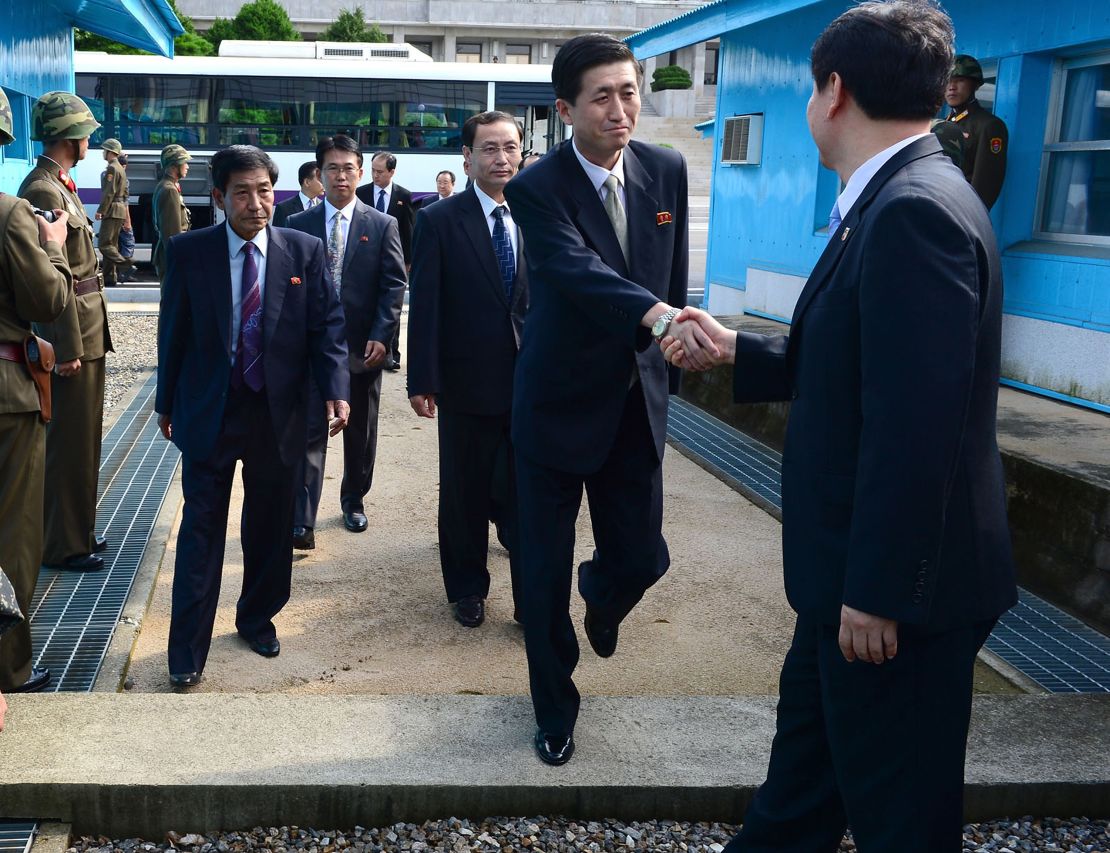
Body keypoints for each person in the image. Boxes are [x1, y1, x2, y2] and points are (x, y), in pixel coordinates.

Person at [660, 4, 1018, 850]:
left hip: (892, 602)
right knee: (800, 797)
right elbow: (867, 365)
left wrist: (879, 591)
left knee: (901, 818)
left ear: (835, 90)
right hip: (846, 586)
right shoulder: (897, 193)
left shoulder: (912, 210)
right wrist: (740, 351)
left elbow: (915, 425)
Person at [502, 33, 704, 766]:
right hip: (556, 408)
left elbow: (672, 273)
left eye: (629, 92)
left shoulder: (667, 169)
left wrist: (669, 366)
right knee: (541, 577)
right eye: (602, 97)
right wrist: (660, 319)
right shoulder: (536, 188)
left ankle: (606, 592)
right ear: (565, 109)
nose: (621, 110)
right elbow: (576, 270)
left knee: (642, 556)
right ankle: (555, 709)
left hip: (634, 404)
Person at [155, 145, 350, 688]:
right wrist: (165, 402)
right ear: (219, 197)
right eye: (241, 192)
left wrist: (337, 391)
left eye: (264, 190)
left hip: (279, 413)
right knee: (201, 531)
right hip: (211, 411)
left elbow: (326, 329)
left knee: (269, 524)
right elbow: (174, 333)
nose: (255, 202)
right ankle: (186, 649)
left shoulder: (304, 252)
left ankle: (257, 618)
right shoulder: (190, 252)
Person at [407, 111, 528, 628]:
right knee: (464, 491)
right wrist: (422, 379)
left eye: (510, 147)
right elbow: (426, 305)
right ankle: (467, 588)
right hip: (465, 380)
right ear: (468, 157)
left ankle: (532, 594)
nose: (501, 158)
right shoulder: (439, 220)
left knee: (529, 494)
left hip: (532, 381)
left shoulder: (540, 211)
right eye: (489, 149)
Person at [286, 135, 406, 547]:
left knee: (360, 431)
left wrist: (382, 336)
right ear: (320, 174)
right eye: (332, 168)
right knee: (308, 430)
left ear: (361, 172)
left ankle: (354, 498)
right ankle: (303, 518)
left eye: (349, 168)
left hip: (362, 347)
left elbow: (394, 285)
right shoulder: (297, 225)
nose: (341, 175)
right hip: (311, 348)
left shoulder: (381, 224)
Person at [19, 91, 113, 574]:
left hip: (87, 327)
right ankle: (63, 545)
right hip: (73, 332)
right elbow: (50, 275)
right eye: (85, 132)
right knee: (69, 446)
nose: (89, 140)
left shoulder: (59, 185)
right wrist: (66, 347)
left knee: (84, 441)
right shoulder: (42, 191)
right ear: (71, 135)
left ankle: (79, 530)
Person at [0, 88, 74, 697]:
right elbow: (47, 301)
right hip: (6, 399)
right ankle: (8, 667)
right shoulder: (9, 214)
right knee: (13, 535)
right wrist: (52, 251)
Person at [357, 151, 414, 370]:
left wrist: (408, 260)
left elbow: (408, 230)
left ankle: (392, 353)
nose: (375, 175)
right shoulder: (362, 193)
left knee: (392, 305)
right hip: (365, 256)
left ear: (392, 172)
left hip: (394, 258)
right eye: (372, 170)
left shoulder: (403, 195)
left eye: (380, 171)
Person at [945, 54, 1007, 209]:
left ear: (975, 85)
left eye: (960, 80)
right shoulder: (943, 124)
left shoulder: (989, 126)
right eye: (947, 81)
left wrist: (970, 217)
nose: (952, 86)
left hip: (961, 213)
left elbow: (986, 182)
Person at [95, 138, 134, 286]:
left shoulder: (112, 168)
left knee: (104, 244)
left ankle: (126, 264)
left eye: (104, 150)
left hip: (112, 210)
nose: (103, 153)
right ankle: (110, 277)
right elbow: (124, 194)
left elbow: (109, 192)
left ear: (110, 152)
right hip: (120, 210)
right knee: (112, 244)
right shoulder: (121, 169)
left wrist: (101, 210)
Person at [152, 144, 192, 281]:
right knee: (172, 300)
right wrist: (179, 261)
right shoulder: (169, 190)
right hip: (171, 257)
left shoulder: (166, 186)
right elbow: (172, 233)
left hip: (168, 255)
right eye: (184, 162)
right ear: (174, 166)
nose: (187, 166)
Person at [273, 161, 323, 227]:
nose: (325, 183)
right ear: (307, 182)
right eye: (321, 180)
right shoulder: (283, 208)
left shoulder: (323, 206)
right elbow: (277, 235)